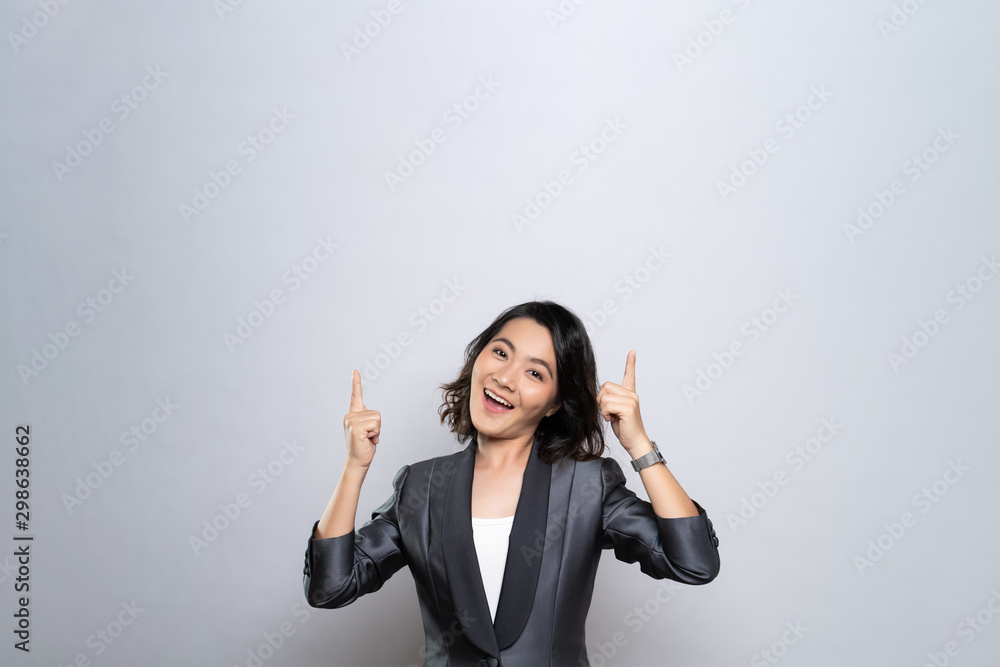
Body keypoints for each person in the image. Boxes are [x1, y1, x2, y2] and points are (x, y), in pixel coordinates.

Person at [303, 300, 720, 666]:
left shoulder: (587, 484)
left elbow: (693, 562)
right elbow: (331, 586)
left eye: (535, 373)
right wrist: (355, 467)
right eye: (500, 352)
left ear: (556, 402)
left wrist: (639, 444)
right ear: (477, 358)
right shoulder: (422, 486)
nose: (505, 377)